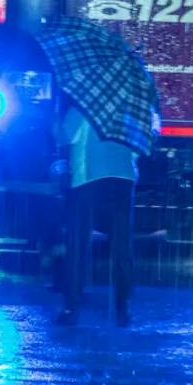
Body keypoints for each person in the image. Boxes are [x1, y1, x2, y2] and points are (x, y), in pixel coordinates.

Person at [56, 101, 139, 326]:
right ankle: (122, 308)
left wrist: (56, 119)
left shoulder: (85, 105)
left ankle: (72, 306)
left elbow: (64, 136)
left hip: (88, 180)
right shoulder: (132, 109)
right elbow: (135, 149)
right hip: (123, 179)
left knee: (78, 244)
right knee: (121, 245)